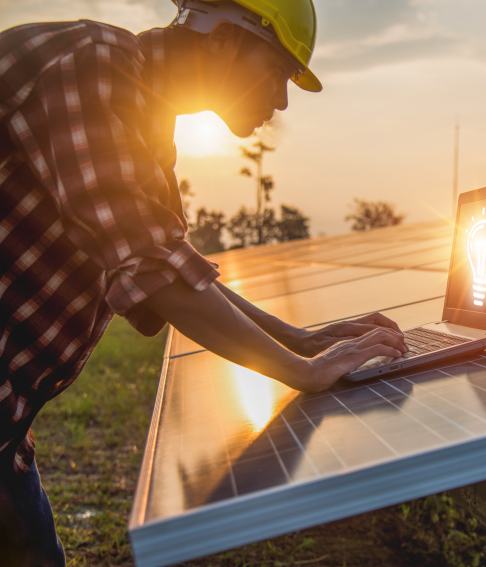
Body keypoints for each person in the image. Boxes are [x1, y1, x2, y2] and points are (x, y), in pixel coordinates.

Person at [0, 1, 407, 563]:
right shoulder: (90, 64)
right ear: (222, 42)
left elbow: (168, 265)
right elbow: (149, 266)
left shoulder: (143, 125)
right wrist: (299, 371)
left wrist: (300, 339)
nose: (282, 99)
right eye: (278, 71)